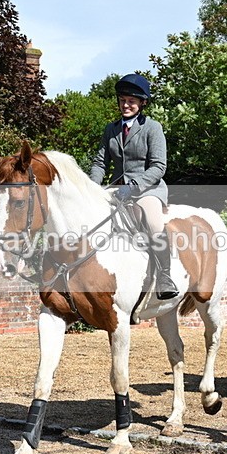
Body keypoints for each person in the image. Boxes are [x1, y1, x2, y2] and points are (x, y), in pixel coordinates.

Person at [89, 73, 178, 300]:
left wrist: (134, 186)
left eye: (131, 101)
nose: (125, 105)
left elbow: (158, 166)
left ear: (142, 103)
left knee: (153, 223)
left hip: (148, 188)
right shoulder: (111, 129)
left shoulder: (152, 128)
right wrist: (91, 187)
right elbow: (100, 162)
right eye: (122, 100)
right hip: (117, 186)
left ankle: (165, 276)